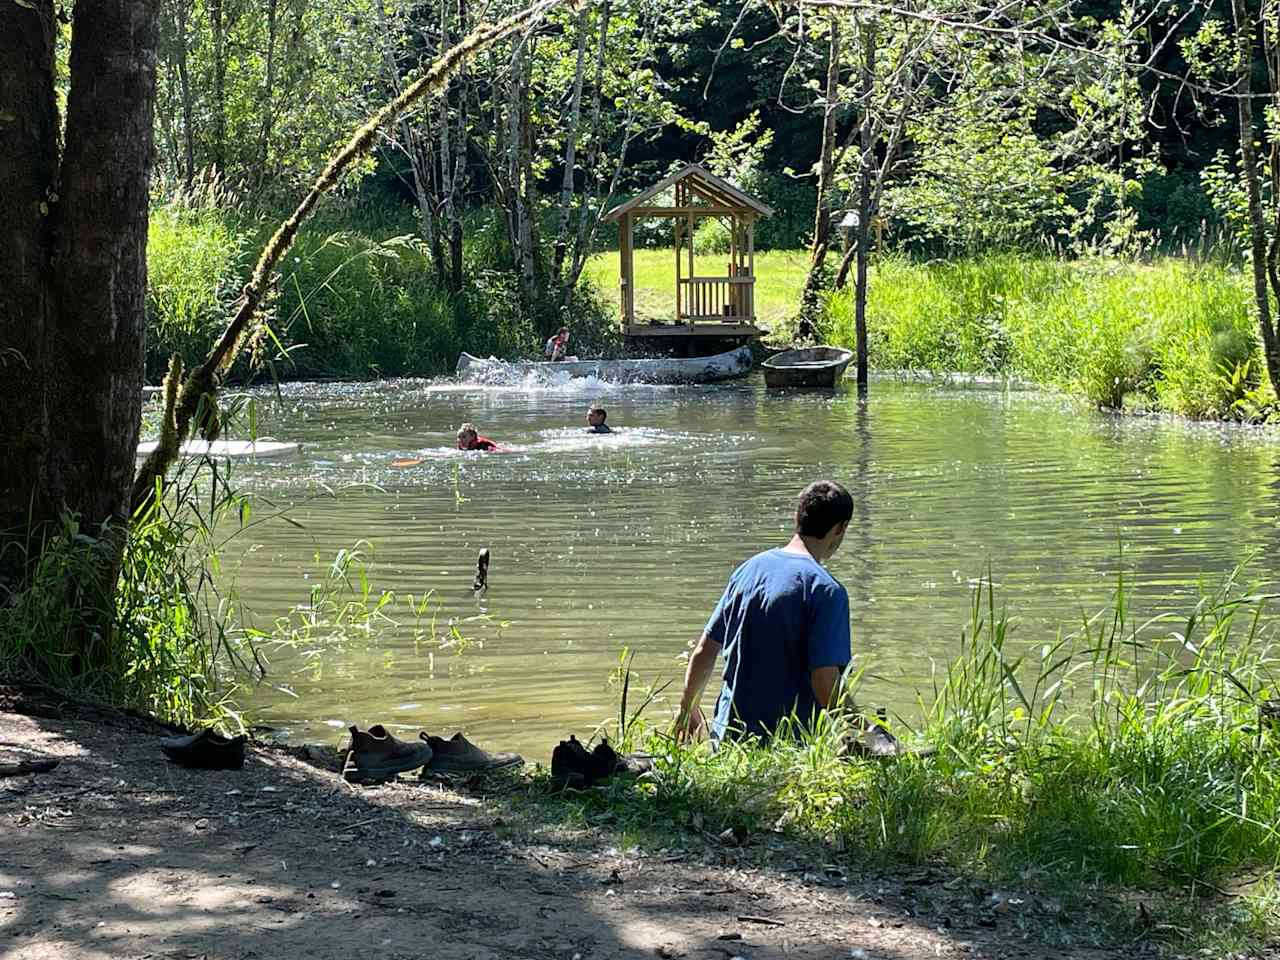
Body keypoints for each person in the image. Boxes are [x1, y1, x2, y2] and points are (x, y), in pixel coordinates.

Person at [674, 480, 853, 743]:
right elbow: (825, 682)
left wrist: (688, 708)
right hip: (785, 745)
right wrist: (867, 730)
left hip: (726, 741)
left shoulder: (748, 570)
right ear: (840, 528)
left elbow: (705, 650)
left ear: (797, 516)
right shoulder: (826, 590)